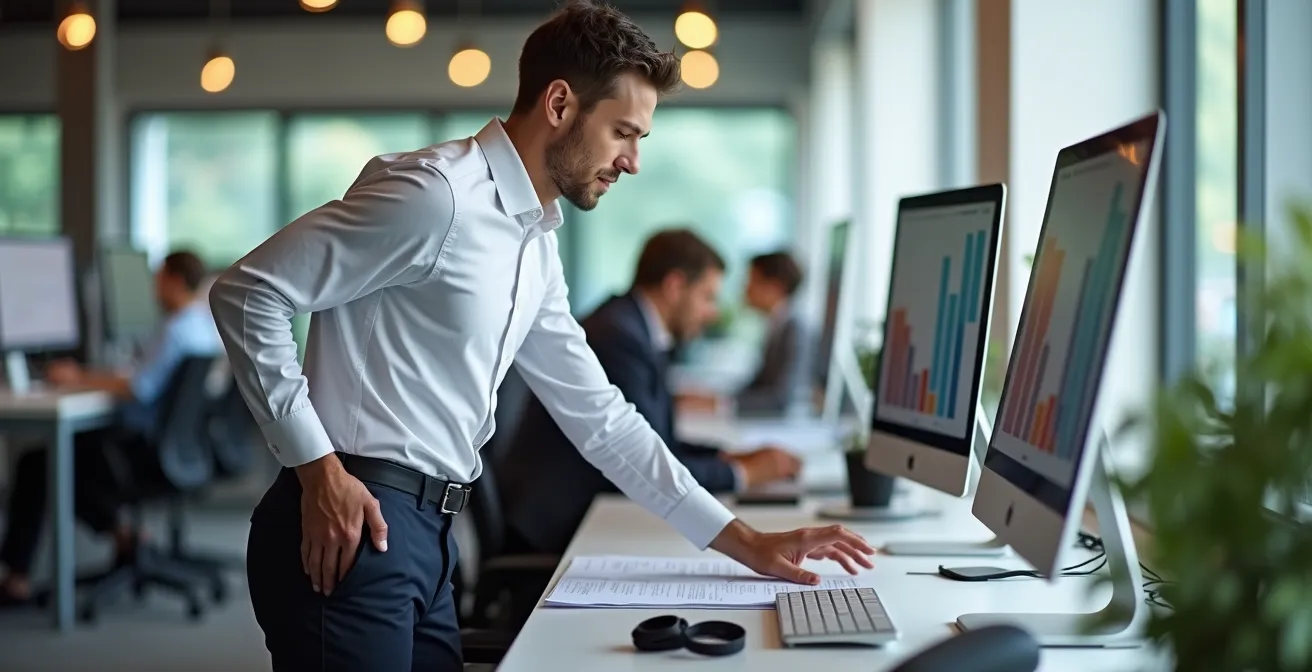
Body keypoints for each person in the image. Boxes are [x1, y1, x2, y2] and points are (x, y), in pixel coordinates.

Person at [208, 2, 876, 669]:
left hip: (431, 534)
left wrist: (744, 541)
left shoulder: (534, 246)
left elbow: (603, 420)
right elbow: (248, 293)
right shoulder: (434, 195)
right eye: (623, 132)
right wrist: (317, 470)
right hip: (351, 512)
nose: (634, 161)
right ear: (560, 104)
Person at [499, 230, 802, 557]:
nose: (713, 312)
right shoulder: (617, 338)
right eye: (707, 296)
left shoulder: (634, 328)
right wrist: (744, 473)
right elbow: (635, 456)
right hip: (555, 533)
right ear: (674, 287)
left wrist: (728, 458)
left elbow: (657, 441)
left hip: (583, 516)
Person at [0, 250, 221, 606]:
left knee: (42, 463)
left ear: (176, 281)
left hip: (144, 451)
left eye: (159, 277)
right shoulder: (200, 325)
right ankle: (124, 535)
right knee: (62, 459)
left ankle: (18, 579)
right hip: (171, 446)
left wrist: (80, 377)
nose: (152, 286)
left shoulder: (177, 329)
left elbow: (139, 388)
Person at [680, 250, 810, 417]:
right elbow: (759, 384)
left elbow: (781, 399)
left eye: (751, 281)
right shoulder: (777, 324)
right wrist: (714, 397)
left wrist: (719, 403)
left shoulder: (795, 329)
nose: (744, 288)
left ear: (775, 287)